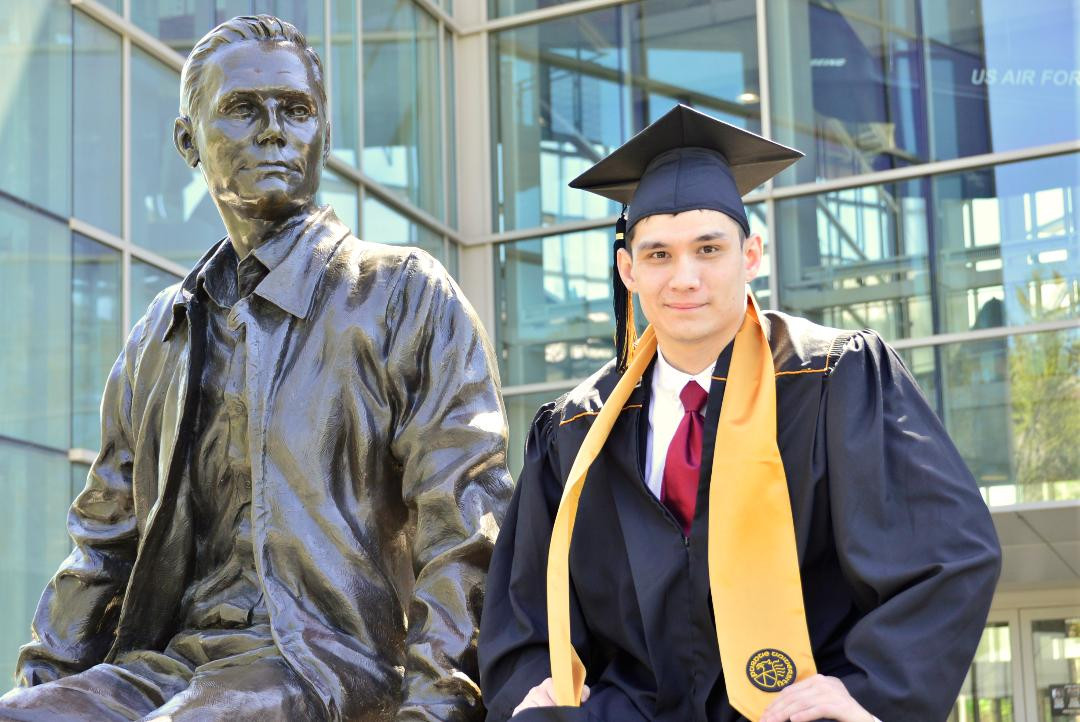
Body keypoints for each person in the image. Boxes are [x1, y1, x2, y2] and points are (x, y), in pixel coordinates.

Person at [0, 15, 510, 722]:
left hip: (330, 659)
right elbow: (102, 546)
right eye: (243, 110)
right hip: (171, 662)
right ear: (189, 141)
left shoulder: (401, 295)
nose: (275, 131)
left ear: (322, 135)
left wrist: (437, 705)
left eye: (296, 110)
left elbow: (464, 527)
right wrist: (40, 686)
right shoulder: (162, 334)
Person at [477, 104, 1001, 722]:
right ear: (629, 269)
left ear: (751, 254)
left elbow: (947, 557)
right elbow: (523, 611)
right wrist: (535, 690)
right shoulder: (576, 429)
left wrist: (865, 692)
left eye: (708, 248)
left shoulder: (834, 381)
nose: (685, 278)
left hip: (789, 708)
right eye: (659, 255)